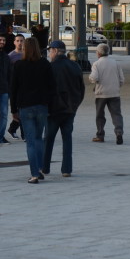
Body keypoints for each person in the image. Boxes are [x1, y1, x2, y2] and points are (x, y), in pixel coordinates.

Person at [9, 37, 53, 183]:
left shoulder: (19, 65)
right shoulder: (45, 64)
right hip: (42, 106)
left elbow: (13, 89)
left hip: (25, 106)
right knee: (38, 138)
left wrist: (13, 109)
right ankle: (39, 169)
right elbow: (52, 86)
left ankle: (34, 174)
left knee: (30, 141)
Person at [43, 40, 84, 178]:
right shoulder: (75, 66)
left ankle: (44, 167)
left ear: (54, 51)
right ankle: (66, 169)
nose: (49, 54)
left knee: (48, 140)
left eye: (50, 51)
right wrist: (75, 105)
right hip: (69, 110)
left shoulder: (50, 67)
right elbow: (81, 89)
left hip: (53, 110)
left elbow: (46, 89)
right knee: (67, 139)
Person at [89, 42, 125, 144]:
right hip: (114, 93)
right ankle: (119, 133)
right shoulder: (115, 63)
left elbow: (94, 77)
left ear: (99, 53)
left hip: (101, 93)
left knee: (100, 115)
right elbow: (122, 79)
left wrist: (91, 80)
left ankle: (100, 135)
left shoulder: (96, 64)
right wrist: (116, 87)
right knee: (116, 114)